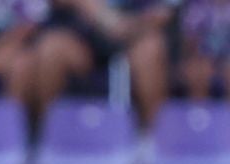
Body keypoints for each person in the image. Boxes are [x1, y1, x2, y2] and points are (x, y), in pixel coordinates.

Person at [31, 1, 176, 124]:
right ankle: (48, 135)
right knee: (51, 50)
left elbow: (162, 13)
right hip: (81, 39)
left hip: (133, 36)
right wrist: (95, 11)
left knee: (151, 50)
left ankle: (153, 137)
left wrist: (127, 26)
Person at [179, 0, 230, 96]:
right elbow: (190, 42)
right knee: (197, 69)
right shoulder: (198, 6)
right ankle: (198, 105)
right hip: (203, 56)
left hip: (227, 56)